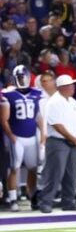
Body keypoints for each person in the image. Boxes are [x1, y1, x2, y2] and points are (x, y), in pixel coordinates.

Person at [37, 75, 76, 214]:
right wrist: (73, 138)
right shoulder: (54, 102)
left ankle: (68, 201)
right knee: (54, 173)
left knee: (71, 174)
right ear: (63, 87)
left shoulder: (74, 102)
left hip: (74, 141)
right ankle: (46, 202)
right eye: (70, 85)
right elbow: (57, 125)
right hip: (58, 141)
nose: (73, 87)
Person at [0, 66, 44, 211]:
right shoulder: (8, 94)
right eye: (19, 77)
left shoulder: (36, 93)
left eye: (24, 77)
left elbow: (39, 117)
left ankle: (33, 198)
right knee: (14, 168)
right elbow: (4, 119)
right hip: (17, 136)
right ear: (14, 78)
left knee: (32, 168)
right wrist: (11, 136)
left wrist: (43, 134)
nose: (22, 80)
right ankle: (13, 199)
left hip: (31, 136)